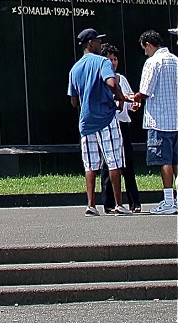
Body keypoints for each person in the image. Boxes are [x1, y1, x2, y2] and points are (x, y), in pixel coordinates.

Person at [67, 27, 131, 216]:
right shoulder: (103, 62)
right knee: (113, 161)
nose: (100, 44)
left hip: (86, 122)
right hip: (106, 118)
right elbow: (111, 82)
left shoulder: (75, 68)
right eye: (98, 41)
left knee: (90, 165)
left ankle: (91, 205)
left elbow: (73, 101)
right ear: (91, 43)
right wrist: (119, 97)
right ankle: (118, 204)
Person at [131, 30, 178, 214]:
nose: (145, 53)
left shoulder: (153, 62)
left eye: (145, 49)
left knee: (164, 161)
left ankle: (168, 201)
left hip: (159, 120)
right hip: (176, 119)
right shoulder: (175, 60)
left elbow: (145, 91)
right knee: (176, 162)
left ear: (149, 44)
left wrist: (134, 98)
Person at [99, 44, 142, 213]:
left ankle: (134, 203)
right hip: (109, 124)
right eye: (110, 59)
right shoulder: (102, 80)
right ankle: (109, 203)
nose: (113, 62)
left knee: (128, 163)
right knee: (108, 165)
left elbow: (129, 99)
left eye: (115, 59)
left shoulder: (121, 79)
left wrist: (134, 104)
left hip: (123, 124)